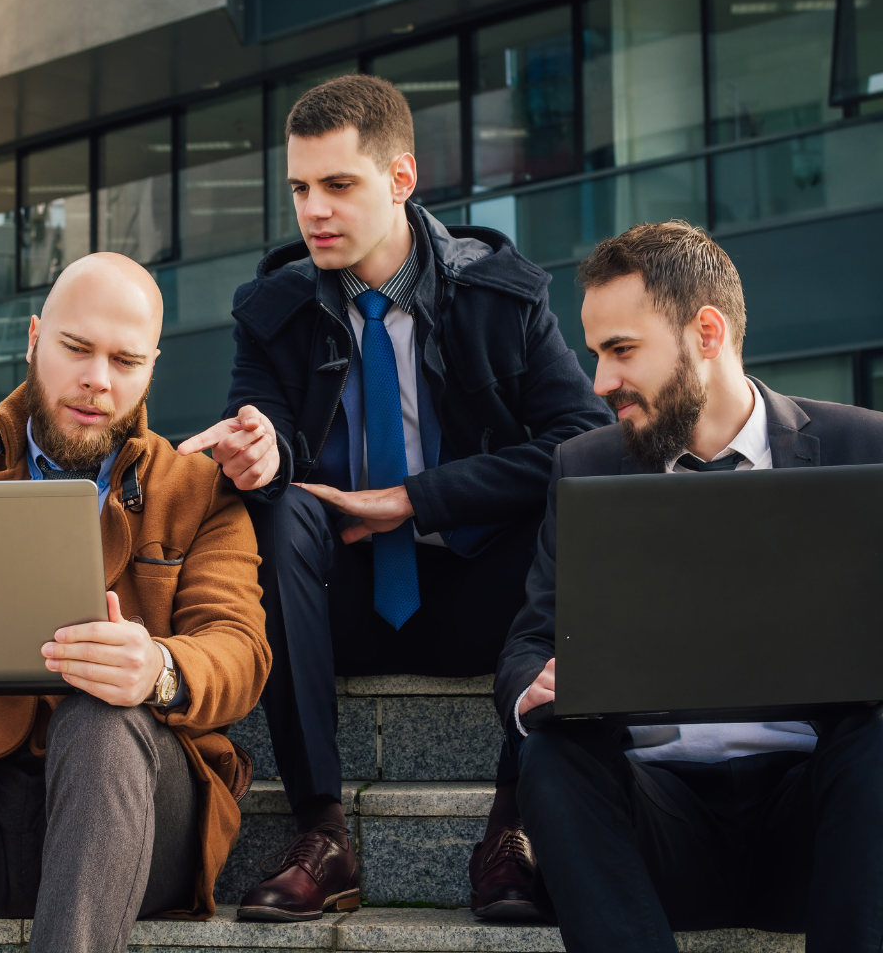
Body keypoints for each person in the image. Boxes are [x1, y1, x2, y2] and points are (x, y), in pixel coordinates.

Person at [179, 74, 611, 922]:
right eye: (301, 189)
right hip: (333, 604)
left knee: (581, 510)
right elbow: (258, 418)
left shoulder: (502, 296)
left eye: (339, 185)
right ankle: (321, 830)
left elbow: (580, 439)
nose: (315, 211)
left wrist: (414, 499)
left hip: (480, 591)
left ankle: (513, 824)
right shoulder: (270, 310)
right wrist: (257, 451)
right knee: (277, 507)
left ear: (401, 179)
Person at [0, 254, 270, 953]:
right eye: (76, 348)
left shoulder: (201, 492)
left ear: (152, 368)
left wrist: (158, 668)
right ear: (34, 339)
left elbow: (240, 649)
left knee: (100, 710)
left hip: (137, 816)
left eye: (125, 361)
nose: (97, 381)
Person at [494, 220, 883, 953]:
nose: (601, 382)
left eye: (621, 351)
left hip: (825, 831)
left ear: (707, 333)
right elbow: (530, 637)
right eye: (596, 355)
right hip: (651, 836)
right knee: (549, 752)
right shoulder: (584, 465)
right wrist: (533, 686)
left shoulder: (867, 447)